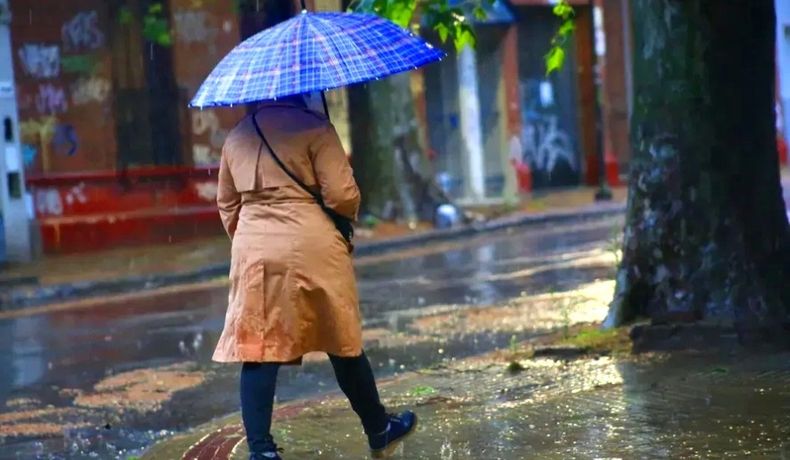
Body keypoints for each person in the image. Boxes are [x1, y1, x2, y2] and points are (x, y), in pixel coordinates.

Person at [214, 94, 416, 460]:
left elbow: (227, 204)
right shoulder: (316, 129)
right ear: (301, 91)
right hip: (313, 244)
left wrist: (251, 240)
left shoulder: (237, 136)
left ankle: (261, 451)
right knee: (341, 339)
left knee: (259, 348)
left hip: (254, 248)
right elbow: (341, 196)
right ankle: (378, 428)